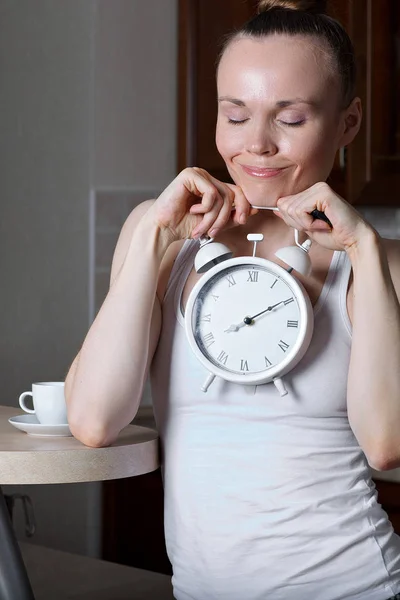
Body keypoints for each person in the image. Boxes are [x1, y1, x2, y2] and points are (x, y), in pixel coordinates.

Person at [65, 1, 400, 598]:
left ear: (348, 123)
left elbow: (386, 442)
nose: (257, 145)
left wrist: (366, 251)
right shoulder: (164, 240)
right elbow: (94, 420)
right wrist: (151, 235)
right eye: (235, 115)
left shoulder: (381, 260)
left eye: (291, 119)